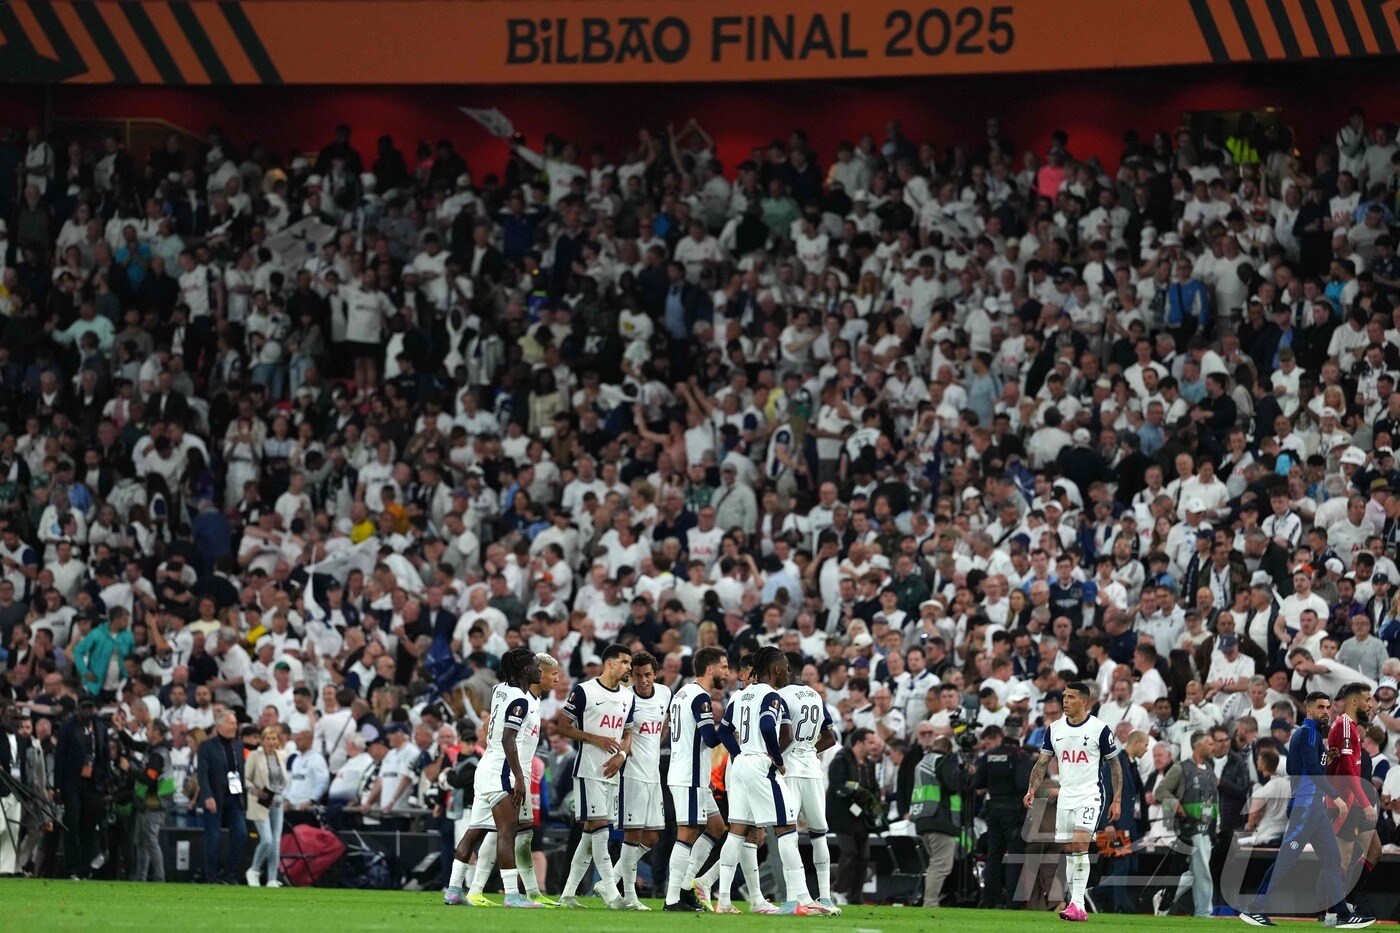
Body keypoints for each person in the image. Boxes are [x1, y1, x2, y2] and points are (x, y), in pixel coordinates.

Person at [1238, 692, 1374, 928]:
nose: (1326, 711)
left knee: (1332, 859)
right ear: (1309, 710)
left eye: (1328, 707)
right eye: (1320, 707)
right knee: (1286, 860)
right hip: (1306, 806)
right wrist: (1336, 798)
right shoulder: (1310, 732)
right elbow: (1310, 770)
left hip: (1314, 807)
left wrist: (1325, 759)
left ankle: (1341, 914)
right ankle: (1254, 908)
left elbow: (1295, 766)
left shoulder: (1303, 734)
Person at [714, 646, 832, 914]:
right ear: (777, 669)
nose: (785, 674)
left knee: (736, 832)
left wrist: (739, 753)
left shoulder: (740, 695)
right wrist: (776, 759)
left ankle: (723, 901)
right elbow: (770, 727)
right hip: (761, 765)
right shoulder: (771, 695)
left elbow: (723, 732)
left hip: (741, 765)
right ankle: (800, 900)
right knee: (787, 830)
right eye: (784, 669)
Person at [445, 646, 545, 908]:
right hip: (502, 769)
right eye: (536, 665)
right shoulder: (521, 701)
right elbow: (508, 738)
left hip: (485, 766)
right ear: (525, 670)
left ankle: (454, 890)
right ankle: (512, 895)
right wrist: (520, 778)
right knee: (507, 832)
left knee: (474, 831)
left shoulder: (499, 689)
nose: (540, 670)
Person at [1024, 681, 1123, 922]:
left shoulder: (1100, 729)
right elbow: (1043, 762)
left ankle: (1078, 905)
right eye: (1064, 696)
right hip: (1066, 797)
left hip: (1090, 795)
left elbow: (1115, 765)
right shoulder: (1055, 729)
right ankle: (1074, 903)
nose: (1065, 701)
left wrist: (1117, 799)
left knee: (1080, 844)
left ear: (1084, 702)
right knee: (1069, 850)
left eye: (1070, 697)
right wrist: (1031, 788)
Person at [663, 645, 729, 911]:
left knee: (715, 826)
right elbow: (711, 738)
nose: (727, 672)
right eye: (724, 667)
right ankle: (672, 898)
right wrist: (730, 725)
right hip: (688, 776)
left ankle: (687, 885)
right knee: (688, 832)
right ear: (710, 669)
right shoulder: (700, 698)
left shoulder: (682, 693)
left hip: (693, 774)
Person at [777, 650, 840, 913]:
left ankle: (795, 898)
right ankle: (825, 896)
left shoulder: (780, 696)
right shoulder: (815, 695)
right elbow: (831, 737)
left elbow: (785, 736)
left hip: (789, 770)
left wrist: (775, 757)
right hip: (813, 770)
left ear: (786, 668)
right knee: (818, 835)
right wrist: (810, 749)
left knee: (786, 833)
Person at [612, 650, 672, 910]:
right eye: (637, 676)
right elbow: (620, 733)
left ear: (655, 674)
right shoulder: (625, 699)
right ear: (631, 677)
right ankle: (628, 896)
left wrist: (655, 744)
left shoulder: (665, 693)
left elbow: (663, 725)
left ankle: (609, 880)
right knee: (633, 835)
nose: (643, 680)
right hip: (632, 774)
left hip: (654, 774)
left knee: (652, 839)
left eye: (647, 674)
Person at [1325, 681, 1380, 919]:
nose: (1370, 705)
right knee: (1343, 856)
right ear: (1355, 701)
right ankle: (1334, 911)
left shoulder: (1350, 727)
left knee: (1374, 849)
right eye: (1367, 700)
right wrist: (1365, 803)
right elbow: (1347, 770)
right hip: (1345, 802)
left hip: (1352, 799)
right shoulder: (1345, 726)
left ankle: (1346, 899)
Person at [1153, 730, 1218, 917]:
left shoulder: (1209, 768)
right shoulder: (1181, 768)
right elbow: (1161, 790)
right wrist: (1175, 804)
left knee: (1195, 872)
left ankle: (1163, 896)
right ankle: (1204, 912)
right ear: (1198, 745)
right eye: (1209, 743)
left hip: (1208, 827)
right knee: (1203, 871)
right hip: (1191, 827)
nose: (1212, 747)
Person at [972, 721, 1030, 908]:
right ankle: (1014, 901)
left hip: (994, 811)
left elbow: (978, 782)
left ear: (1004, 732)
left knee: (994, 856)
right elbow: (1023, 784)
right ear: (1021, 732)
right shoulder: (1020, 756)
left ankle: (989, 899)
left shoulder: (990, 754)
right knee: (1014, 856)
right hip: (1014, 812)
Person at [908, 734, 966, 908]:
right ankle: (930, 902)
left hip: (923, 819)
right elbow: (952, 785)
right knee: (940, 865)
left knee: (935, 863)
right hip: (940, 819)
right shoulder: (942, 761)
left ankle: (930, 900)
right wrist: (964, 774)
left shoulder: (922, 762)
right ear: (948, 749)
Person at [54, 696, 110, 878]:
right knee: (73, 826)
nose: (87, 711)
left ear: (94, 708)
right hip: (72, 784)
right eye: (84, 707)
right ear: (78, 709)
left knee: (89, 828)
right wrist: (57, 788)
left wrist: (104, 783)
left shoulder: (100, 728)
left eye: (90, 707)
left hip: (93, 784)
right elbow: (59, 759)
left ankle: (86, 869)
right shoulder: (68, 728)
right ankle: (72, 869)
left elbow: (105, 757)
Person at [195, 711, 247, 885]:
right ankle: (211, 876)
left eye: (235, 724)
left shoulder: (238, 745)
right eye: (230, 723)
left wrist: (240, 794)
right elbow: (202, 774)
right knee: (213, 837)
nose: (234, 727)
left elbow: (237, 771)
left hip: (234, 796)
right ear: (219, 726)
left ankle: (229, 873)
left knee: (240, 833)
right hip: (215, 797)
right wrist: (207, 796)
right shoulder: (207, 746)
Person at [131, 719, 176, 882]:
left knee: (150, 840)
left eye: (149, 728)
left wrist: (129, 769)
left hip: (156, 802)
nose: (146, 731)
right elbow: (132, 744)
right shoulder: (154, 749)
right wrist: (120, 729)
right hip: (150, 801)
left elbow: (148, 779)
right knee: (143, 842)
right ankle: (140, 877)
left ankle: (159, 877)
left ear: (157, 732)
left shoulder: (158, 754)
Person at [244, 725, 289, 887]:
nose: (271, 742)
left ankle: (271, 878)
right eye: (268, 739)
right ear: (262, 741)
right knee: (267, 839)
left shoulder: (281, 756)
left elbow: (283, 779)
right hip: (260, 800)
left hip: (277, 800)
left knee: (276, 841)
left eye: (274, 738)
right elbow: (246, 778)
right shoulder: (255, 756)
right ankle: (254, 870)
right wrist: (255, 791)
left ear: (278, 741)